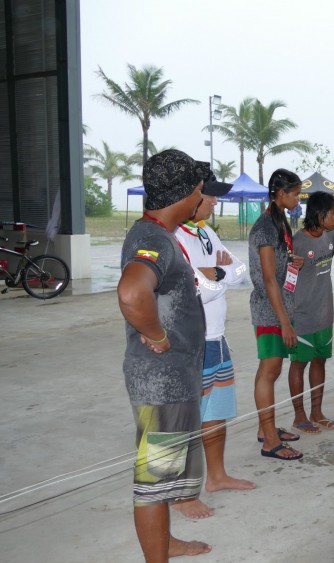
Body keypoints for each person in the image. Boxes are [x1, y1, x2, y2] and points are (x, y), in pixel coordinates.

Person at [117, 149, 212, 560]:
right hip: (163, 381)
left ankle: (166, 541)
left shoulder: (154, 231)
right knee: (154, 481)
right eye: (199, 191)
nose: (201, 199)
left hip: (172, 379)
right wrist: (157, 333)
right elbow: (133, 292)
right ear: (188, 193)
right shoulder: (155, 239)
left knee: (166, 475)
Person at [172, 169, 254, 520]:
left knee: (217, 413)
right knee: (184, 420)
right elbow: (194, 292)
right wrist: (214, 277)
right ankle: (179, 493)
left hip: (217, 339)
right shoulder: (175, 236)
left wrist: (214, 275)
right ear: (193, 197)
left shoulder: (205, 232)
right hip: (192, 343)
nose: (216, 201)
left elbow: (240, 270)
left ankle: (216, 476)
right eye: (211, 196)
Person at [249, 169, 305, 461]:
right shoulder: (265, 227)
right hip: (270, 310)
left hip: (280, 306)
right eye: (294, 193)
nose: (297, 198)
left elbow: (276, 267)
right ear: (280, 194)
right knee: (269, 372)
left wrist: (289, 261)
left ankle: (265, 428)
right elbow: (268, 279)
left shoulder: (279, 220)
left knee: (271, 371)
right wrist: (284, 321)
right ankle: (270, 441)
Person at [287, 192, 334, 434]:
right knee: (299, 363)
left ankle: (317, 411)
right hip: (302, 314)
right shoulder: (297, 242)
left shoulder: (332, 236)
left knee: (320, 360)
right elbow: (284, 280)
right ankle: (300, 416)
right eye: (333, 214)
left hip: (324, 311)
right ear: (320, 215)